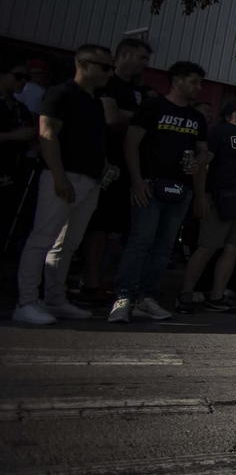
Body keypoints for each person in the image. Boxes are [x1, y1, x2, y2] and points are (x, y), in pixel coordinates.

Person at [11, 45, 112, 325]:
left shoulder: (94, 100)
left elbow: (94, 139)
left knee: (67, 244)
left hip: (89, 181)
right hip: (64, 177)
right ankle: (26, 302)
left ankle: (55, 299)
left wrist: (103, 165)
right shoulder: (61, 93)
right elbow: (47, 135)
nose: (109, 72)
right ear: (83, 64)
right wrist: (58, 176)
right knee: (41, 239)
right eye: (105, 67)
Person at [109, 60, 208, 323]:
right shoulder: (152, 107)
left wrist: (200, 162)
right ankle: (123, 296)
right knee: (140, 241)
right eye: (194, 82)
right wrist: (137, 180)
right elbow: (131, 144)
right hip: (150, 186)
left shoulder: (197, 117)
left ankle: (146, 298)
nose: (199, 87)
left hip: (180, 191)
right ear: (177, 81)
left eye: (200, 83)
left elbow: (202, 150)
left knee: (164, 247)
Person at [177, 95, 236, 313]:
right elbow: (201, 165)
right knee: (207, 247)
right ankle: (185, 295)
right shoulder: (218, 132)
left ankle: (216, 297)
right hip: (218, 200)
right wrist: (200, 197)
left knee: (232, 250)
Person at [80, 36, 151, 300]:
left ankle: (98, 281)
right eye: (141, 57)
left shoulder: (142, 91)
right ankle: (88, 282)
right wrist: (142, 121)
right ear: (124, 55)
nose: (145, 64)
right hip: (102, 164)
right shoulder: (108, 84)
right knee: (96, 226)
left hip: (128, 168)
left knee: (115, 228)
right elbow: (112, 119)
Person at [1, 56, 38, 248]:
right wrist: (12, 136)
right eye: (18, 76)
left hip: (13, 172)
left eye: (26, 77)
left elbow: (30, 139)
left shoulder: (21, 108)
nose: (23, 81)